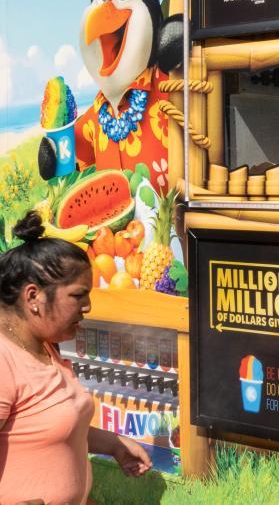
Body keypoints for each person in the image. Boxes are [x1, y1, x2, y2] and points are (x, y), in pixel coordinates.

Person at [0, 212, 152, 505]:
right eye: (78, 295)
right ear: (33, 297)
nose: (88, 306)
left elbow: (52, 429)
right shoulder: (4, 360)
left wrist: (114, 444)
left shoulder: (45, 347)